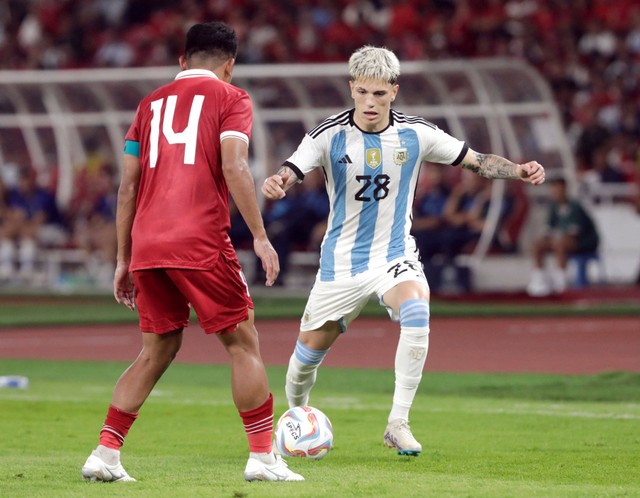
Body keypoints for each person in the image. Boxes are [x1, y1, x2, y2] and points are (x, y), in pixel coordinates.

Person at [261, 45, 545, 457]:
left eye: (379, 94)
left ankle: (398, 422)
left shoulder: (417, 133)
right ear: (351, 90)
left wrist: (519, 170)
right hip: (339, 265)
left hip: (395, 256)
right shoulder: (327, 135)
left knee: (416, 309)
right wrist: (277, 182)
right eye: (362, 93)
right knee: (304, 361)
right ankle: (297, 418)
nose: (370, 103)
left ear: (394, 91)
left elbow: (478, 161)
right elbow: (291, 169)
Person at [81, 22, 303, 483]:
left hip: (147, 242)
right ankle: (263, 458)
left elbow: (128, 187)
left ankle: (104, 454)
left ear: (182, 61)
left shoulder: (147, 105)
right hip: (198, 239)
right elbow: (234, 163)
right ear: (230, 64)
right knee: (243, 342)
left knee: (156, 348)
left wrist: (124, 259)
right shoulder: (232, 98)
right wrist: (260, 235)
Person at [527, 178, 600, 296]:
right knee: (538, 245)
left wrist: (555, 238)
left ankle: (560, 282)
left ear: (565, 189)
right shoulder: (554, 207)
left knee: (560, 244)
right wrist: (545, 239)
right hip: (561, 240)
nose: (555, 193)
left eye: (558, 189)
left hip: (584, 242)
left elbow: (574, 233)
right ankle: (540, 280)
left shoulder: (575, 206)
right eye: (553, 190)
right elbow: (548, 229)